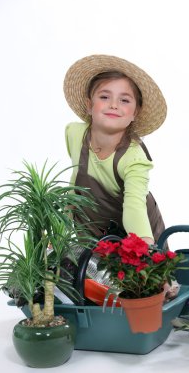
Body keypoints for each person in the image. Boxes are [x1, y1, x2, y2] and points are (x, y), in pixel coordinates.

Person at [63, 54, 167, 246]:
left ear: (135, 113)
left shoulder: (134, 157)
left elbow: (134, 207)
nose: (114, 105)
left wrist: (143, 247)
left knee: (137, 273)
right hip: (97, 228)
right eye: (104, 97)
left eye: (125, 100)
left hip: (139, 230)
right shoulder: (75, 135)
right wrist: (61, 228)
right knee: (89, 273)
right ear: (89, 105)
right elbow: (75, 182)